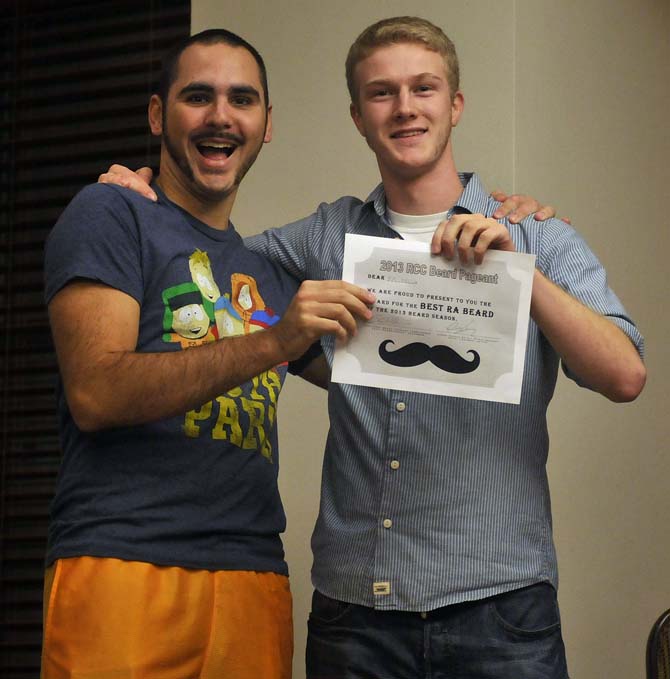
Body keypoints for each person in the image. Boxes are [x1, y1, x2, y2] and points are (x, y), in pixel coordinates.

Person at [99, 16, 646, 679]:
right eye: (382, 93)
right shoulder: (328, 235)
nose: (406, 107)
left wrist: (520, 278)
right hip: (354, 613)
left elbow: (624, 374)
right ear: (358, 116)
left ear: (456, 105)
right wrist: (145, 199)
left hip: (500, 609)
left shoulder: (534, 236)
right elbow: (214, 262)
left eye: (425, 88)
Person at [41, 29, 377, 679]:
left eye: (242, 99)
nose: (221, 115)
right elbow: (96, 392)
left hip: (255, 576)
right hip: (123, 561)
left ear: (265, 123)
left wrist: (500, 234)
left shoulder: (269, 270)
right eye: (198, 96)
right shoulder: (111, 212)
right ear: (157, 115)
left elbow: (384, 378)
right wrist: (275, 341)